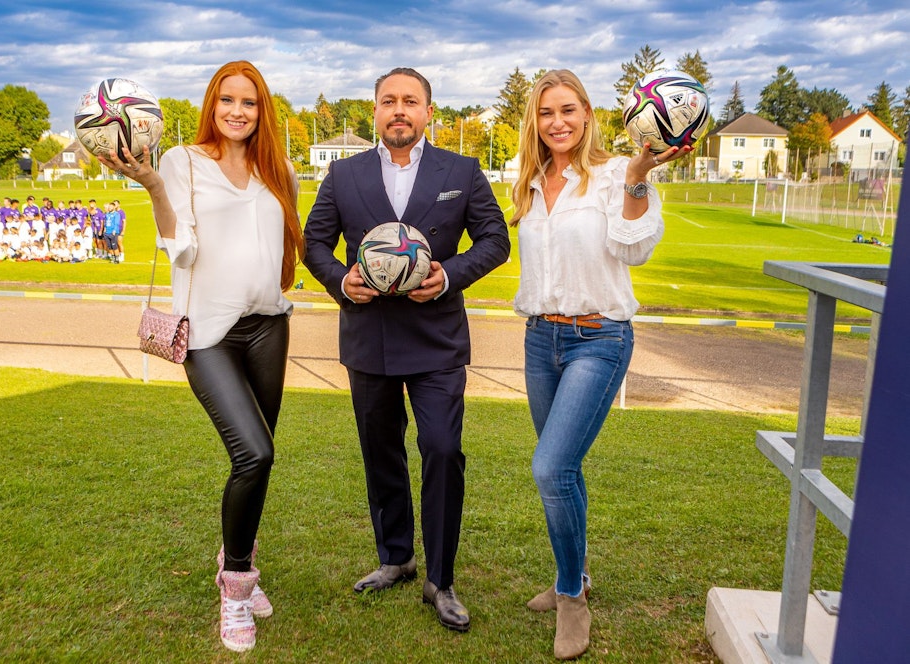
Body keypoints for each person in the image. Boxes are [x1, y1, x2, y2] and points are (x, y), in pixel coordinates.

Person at [98, 59, 305, 653]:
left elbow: (284, 245)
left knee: (260, 462)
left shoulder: (278, 169)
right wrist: (156, 187)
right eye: (227, 100)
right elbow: (183, 252)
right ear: (211, 105)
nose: (237, 112)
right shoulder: (181, 162)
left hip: (269, 328)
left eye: (250, 102)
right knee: (254, 452)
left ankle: (238, 558)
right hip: (208, 335)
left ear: (263, 110)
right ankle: (235, 590)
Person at [303, 67, 510, 633]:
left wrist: (449, 276)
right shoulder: (343, 175)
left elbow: (496, 240)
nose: (400, 110)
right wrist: (341, 281)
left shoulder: (462, 171)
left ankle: (440, 580)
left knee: (442, 449)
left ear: (428, 112)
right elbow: (313, 242)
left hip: (437, 341)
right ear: (374, 111)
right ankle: (396, 557)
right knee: (381, 453)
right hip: (369, 339)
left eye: (410, 101)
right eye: (389, 101)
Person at [510, 70, 691, 660]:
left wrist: (638, 178)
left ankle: (570, 598)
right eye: (545, 113)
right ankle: (578, 573)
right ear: (534, 123)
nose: (557, 122)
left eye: (567, 109)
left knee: (549, 468)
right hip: (541, 340)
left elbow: (634, 246)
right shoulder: (533, 182)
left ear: (587, 113)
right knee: (567, 472)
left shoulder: (616, 174)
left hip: (600, 339)